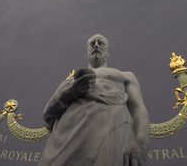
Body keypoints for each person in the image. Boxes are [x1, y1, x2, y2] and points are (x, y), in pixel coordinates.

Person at [39, 34, 150, 166]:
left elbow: (139, 111)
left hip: (108, 133)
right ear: (87, 52)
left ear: (108, 52)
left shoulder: (125, 76)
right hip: (67, 138)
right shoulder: (71, 81)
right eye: (92, 43)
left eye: (100, 43)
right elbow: (48, 114)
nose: (96, 45)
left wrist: (140, 144)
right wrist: (69, 93)